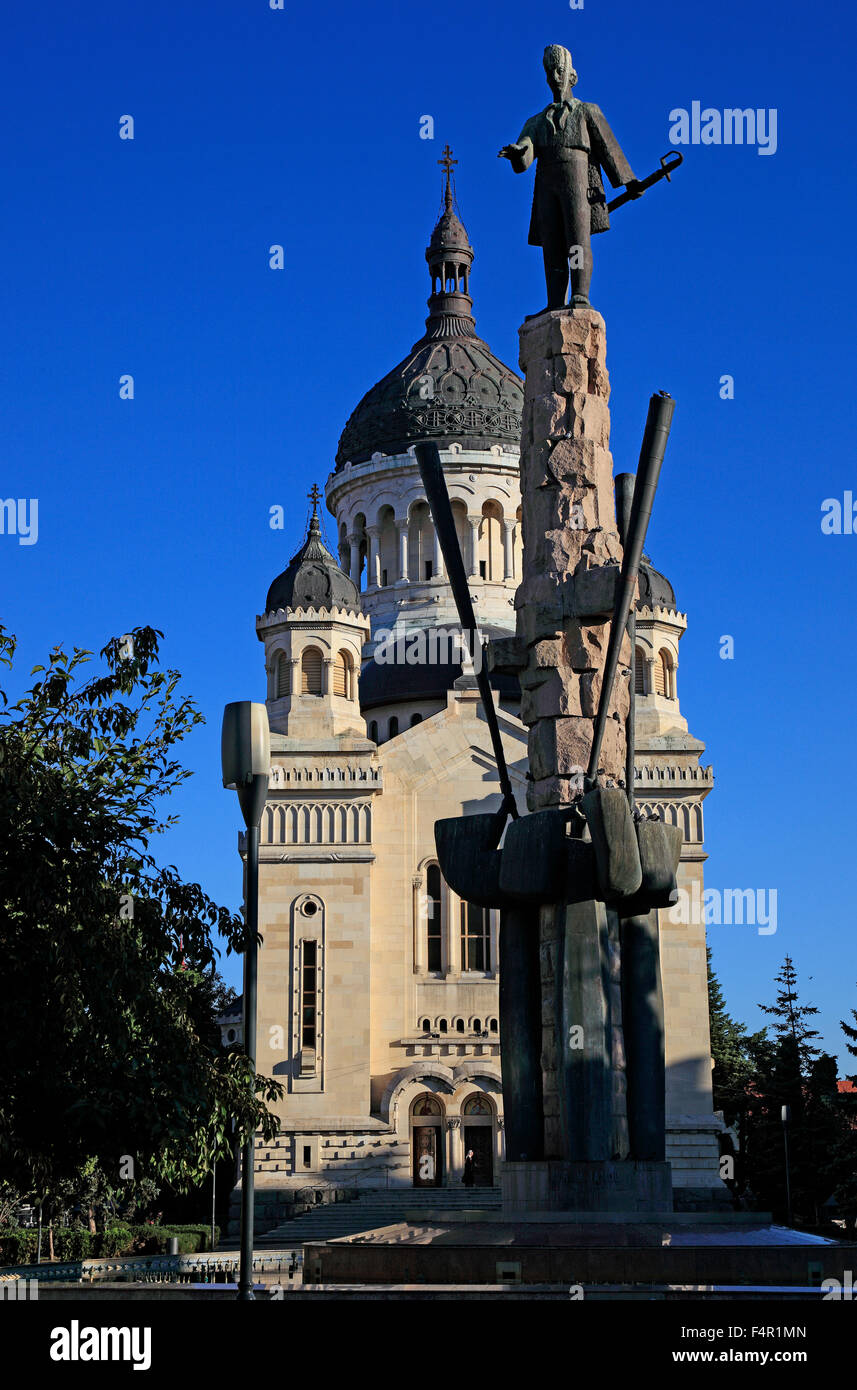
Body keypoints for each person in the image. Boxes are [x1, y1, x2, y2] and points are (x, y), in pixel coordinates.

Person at [499, 44, 641, 310]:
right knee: (552, 246)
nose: (555, 77)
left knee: (577, 240)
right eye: (551, 72)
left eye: (560, 71)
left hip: (578, 180)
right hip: (546, 183)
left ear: (572, 76)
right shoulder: (536, 122)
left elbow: (608, 148)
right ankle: (554, 301)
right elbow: (525, 158)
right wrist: (518, 153)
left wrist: (628, 180)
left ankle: (579, 294)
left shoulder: (587, 111)